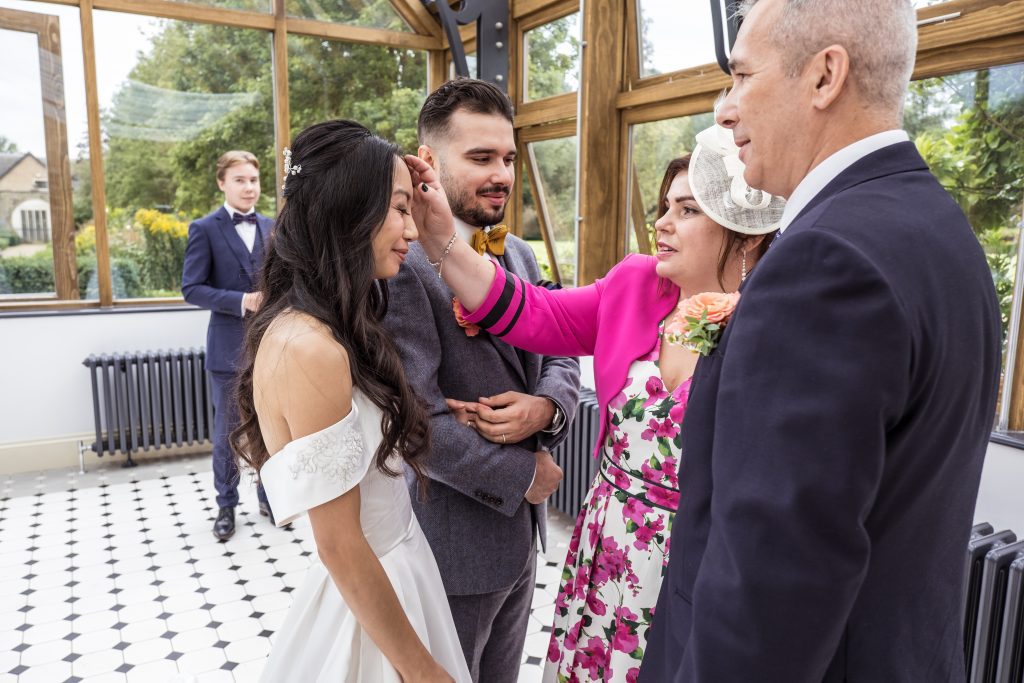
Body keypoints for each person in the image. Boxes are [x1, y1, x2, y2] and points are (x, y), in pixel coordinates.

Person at [638, 0, 1002, 680]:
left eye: (742, 76)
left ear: (824, 76)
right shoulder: (943, 234)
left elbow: (768, 592)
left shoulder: (823, 262)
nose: (725, 109)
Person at [401, 122, 785, 681]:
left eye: (688, 210)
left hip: (704, 556)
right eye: (664, 207)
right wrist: (440, 238)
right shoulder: (635, 283)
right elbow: (534, 313)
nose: (663, 223)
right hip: (610, 545)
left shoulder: (776, 323)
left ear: (746, 229)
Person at [230, 120, 471, 682]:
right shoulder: (307, 347)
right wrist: (419, 669)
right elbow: (339, 543)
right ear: (347, 210)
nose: (411, 229)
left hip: (404, 566)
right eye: (398, 208)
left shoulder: (335, 323)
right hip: (370, 586)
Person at [382, 77, 581, 683]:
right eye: (481, 158)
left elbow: (564, 349)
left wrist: (546, 407)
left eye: (509, 158)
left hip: (521, 543)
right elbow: (414, 420)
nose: (502, 173)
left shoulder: (519, 253)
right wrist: (525, 475)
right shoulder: (398, 268)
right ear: (428, 164)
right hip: (451, 543)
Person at [182, 150, 274, 540]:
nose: (249, 187)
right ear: (222, 182)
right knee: (227, 433)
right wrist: (240, 302)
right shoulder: (204, 228)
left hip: (272, 348)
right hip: (227, 350)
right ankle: (225, 506)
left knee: (271, 428)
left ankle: (272, 495)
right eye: (240, 180)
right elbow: (191, 288)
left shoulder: (273, 226)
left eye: (253, 180)